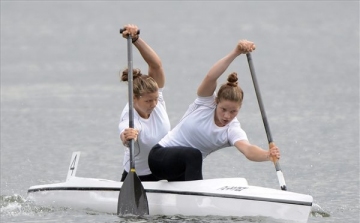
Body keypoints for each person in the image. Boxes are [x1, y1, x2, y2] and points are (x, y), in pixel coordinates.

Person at [148, 39, 281, 181]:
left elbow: (248, 150)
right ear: (216, 101)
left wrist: (267, 155)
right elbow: (211, 77)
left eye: (233, 112)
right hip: (159, 158)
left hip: (181, 170)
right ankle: (196, 196)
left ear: (240, 109)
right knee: (194, 155)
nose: (227, 116)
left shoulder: (232, 130)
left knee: (193, 157)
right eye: (223, 109)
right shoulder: (205, 103)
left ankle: (191, 198)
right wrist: (236, 52)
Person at [118, 24, 170, 182]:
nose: (154, 104)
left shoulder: (157, 98)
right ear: (134, 98)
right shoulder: (130, 117)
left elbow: (156, 65)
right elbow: (124, 132)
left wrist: (136, 40)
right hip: (138, 178)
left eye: (155, 99)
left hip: (163, 169)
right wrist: (127, 137)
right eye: (148, 101)